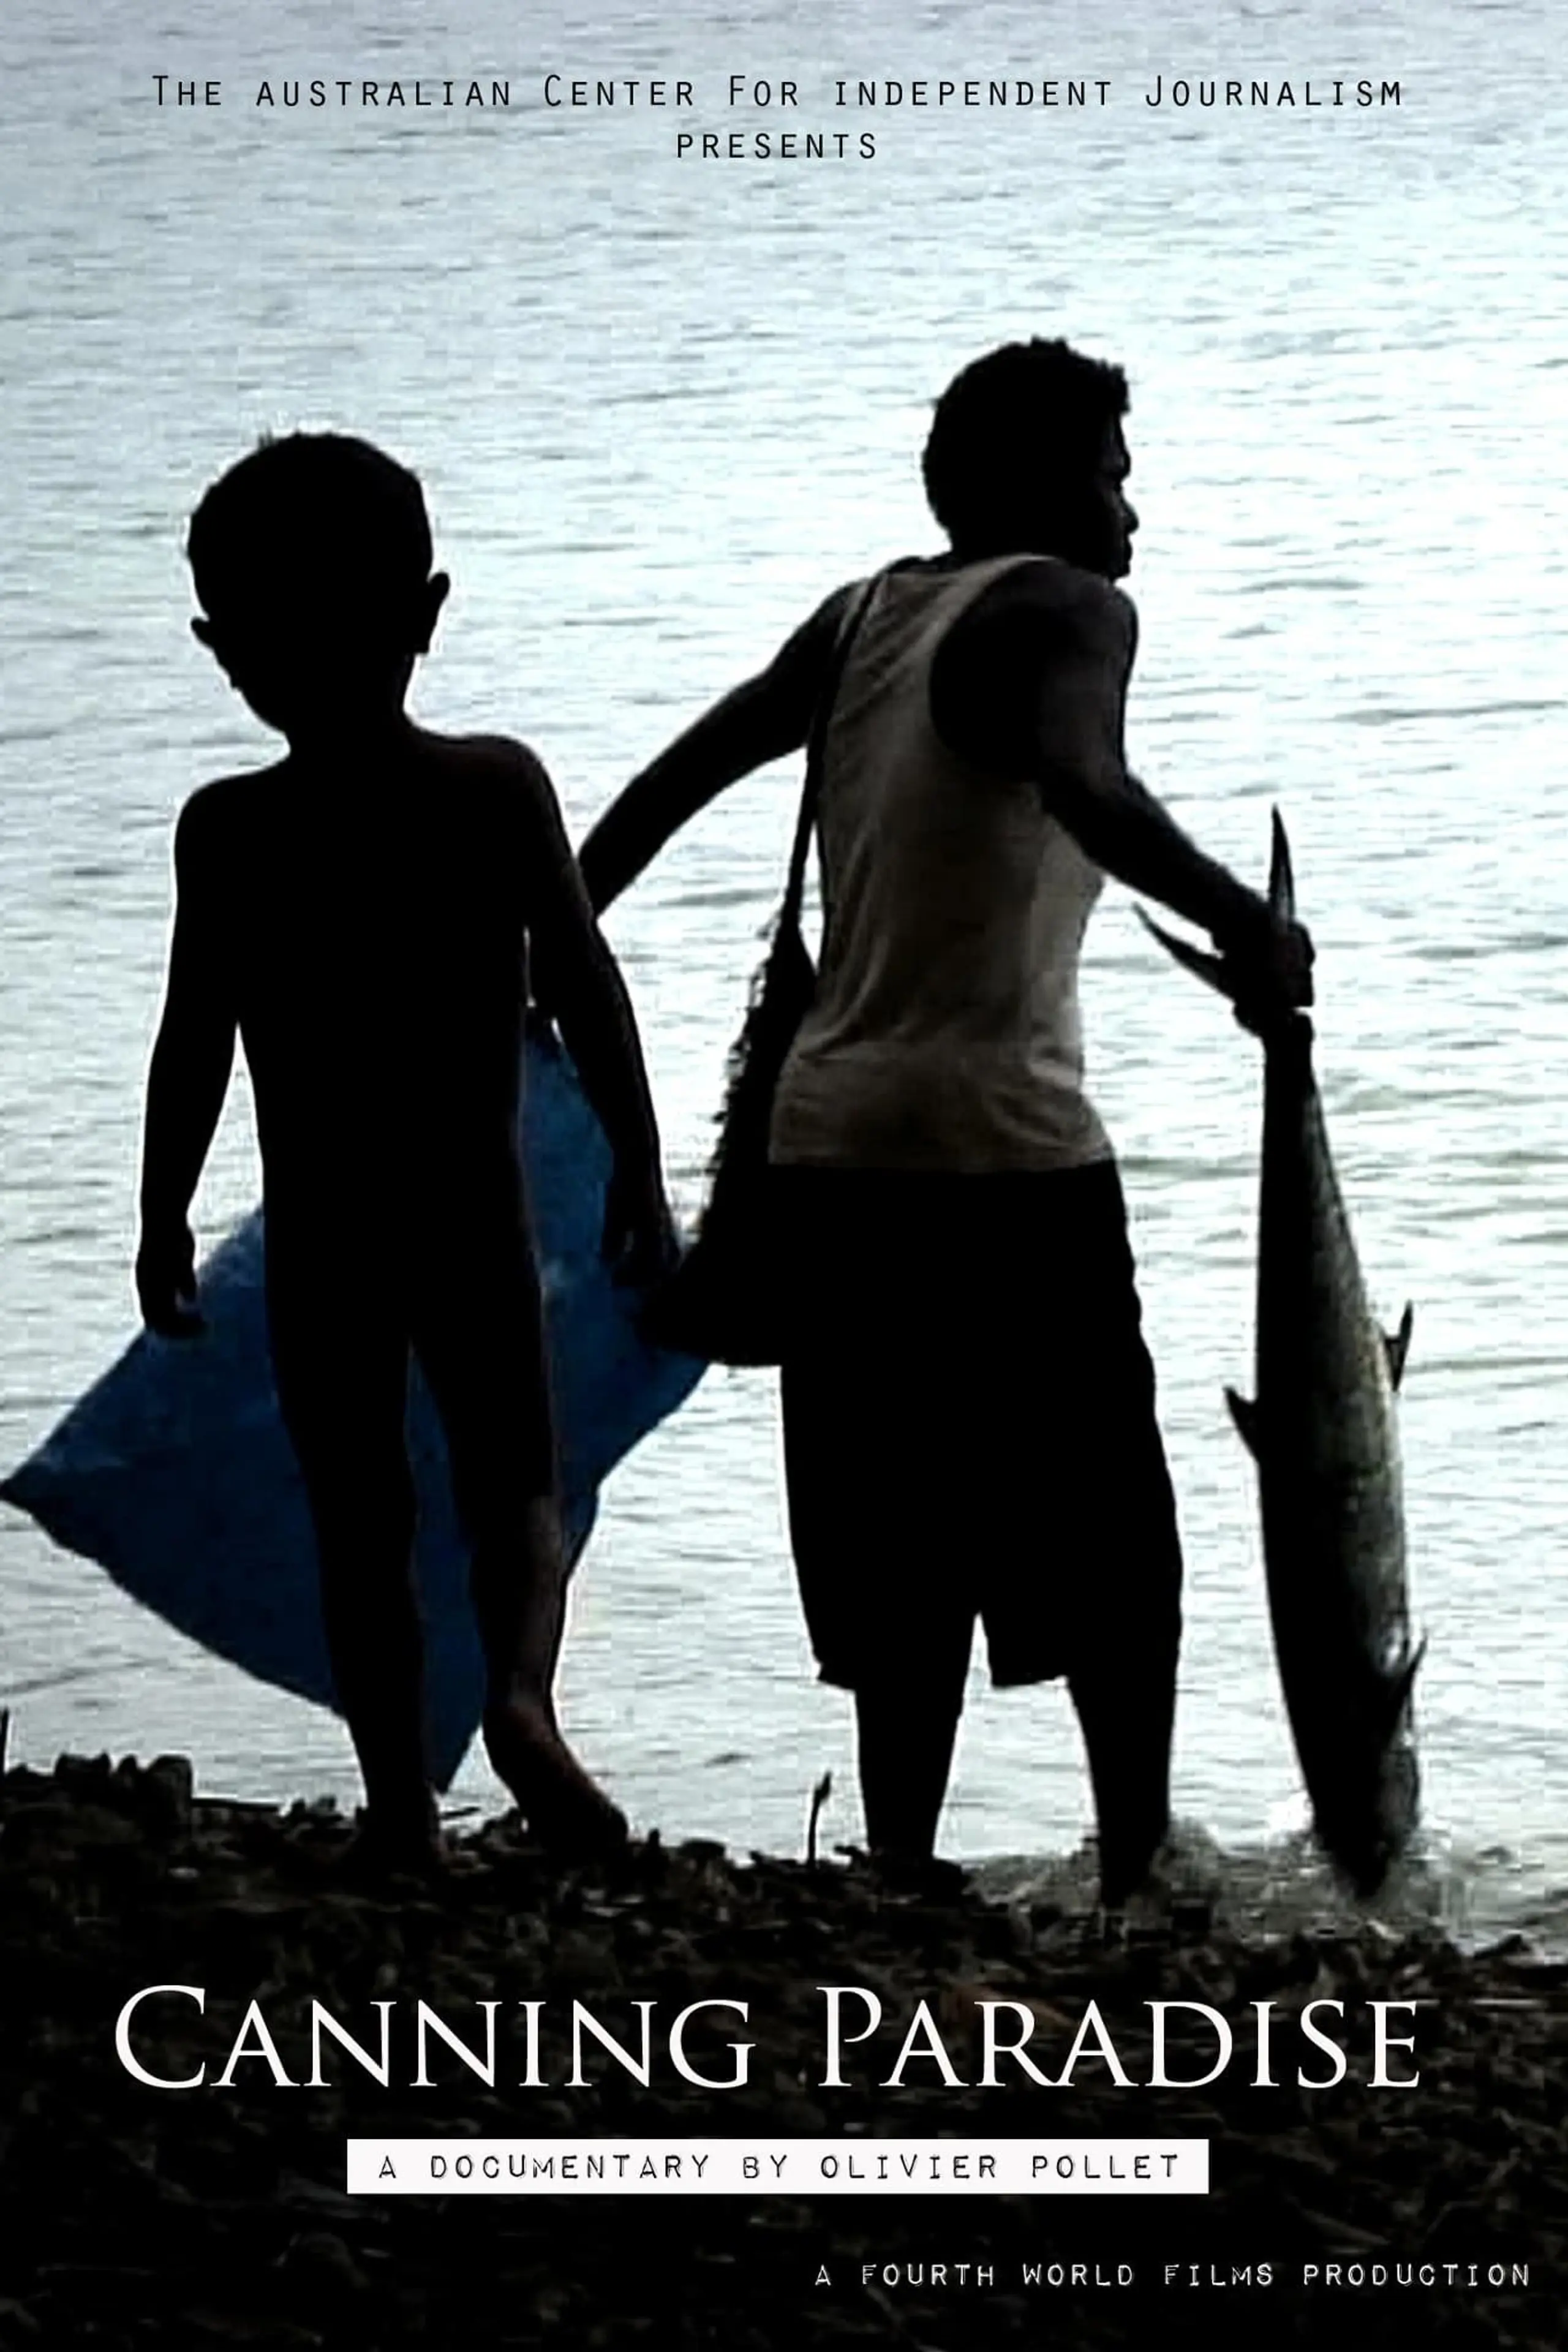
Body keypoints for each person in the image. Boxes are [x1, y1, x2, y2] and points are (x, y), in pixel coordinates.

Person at [575, 339, 1314, 1905]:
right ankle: (1133, 1870)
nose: (1132, 506)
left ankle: (898, 1863)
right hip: (1005, 1151)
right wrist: (1247, 925)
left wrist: (539, 966)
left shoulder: (862, 618)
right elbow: (1086, 786)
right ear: (1031, 486)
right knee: (1108, 1539)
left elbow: (662, 788)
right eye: (1111, 469)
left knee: (891, 1527)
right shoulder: (1065, 607)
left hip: (828, 1153)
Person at [137, 432, 671, 1865]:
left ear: (224, 651)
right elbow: (585, 985)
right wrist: (641, 1168)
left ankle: (397, 1811)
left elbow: (193, 1042)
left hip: (325, 1241)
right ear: (427, 614)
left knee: (360, 1523)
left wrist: (161, 1220)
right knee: (519, 1488)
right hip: (470, 1222)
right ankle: (518, 1698)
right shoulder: (494, 789)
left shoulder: (233, 828)